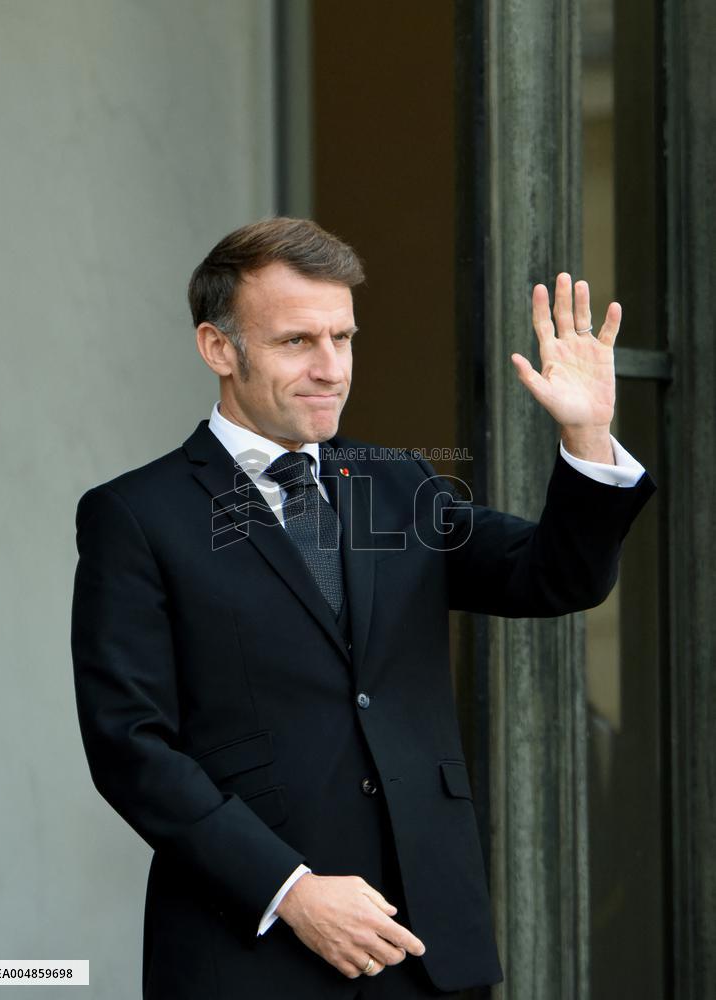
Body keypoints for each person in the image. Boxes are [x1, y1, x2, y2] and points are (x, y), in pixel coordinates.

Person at [71, 217, 654, 999]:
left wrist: (586, 435)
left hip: (426, 941)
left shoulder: (398, 483)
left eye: (343, 338)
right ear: (218, 348)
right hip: (248, 948)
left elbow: (552, 578)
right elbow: (130, 745)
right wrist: (290, 889)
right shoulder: (135, 515)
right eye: (296, 342)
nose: (330, 368)